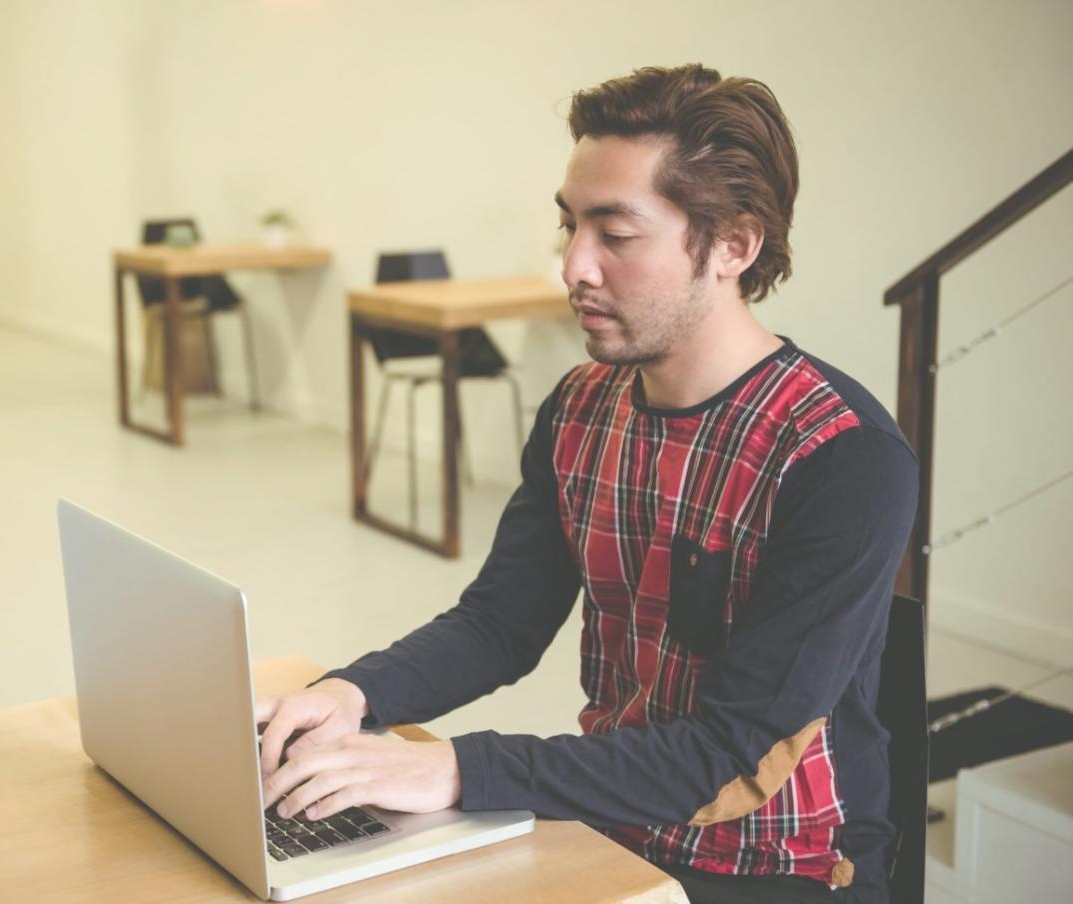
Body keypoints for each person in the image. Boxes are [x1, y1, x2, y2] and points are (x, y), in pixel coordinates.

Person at [257, 64, 918, 904]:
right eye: (570, 226)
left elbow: (727, 752)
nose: (572, 266)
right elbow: (500, 624)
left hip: (778, 863)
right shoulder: (580, 405)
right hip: (615, 812)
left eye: (615, 232)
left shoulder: (842, 455)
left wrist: (455, 767)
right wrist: (354, 694)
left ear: (734, 245)